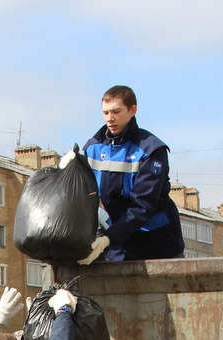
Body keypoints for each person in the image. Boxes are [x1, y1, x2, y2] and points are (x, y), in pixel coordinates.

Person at [79, 84, 185, 264]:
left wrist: (107, 239)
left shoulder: (151, 150)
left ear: (132, 110)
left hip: (158, 244)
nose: (110, 119)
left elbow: (143, 205)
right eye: (105, 113)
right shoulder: (93, 148)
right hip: (120, 244)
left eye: (116, 111)